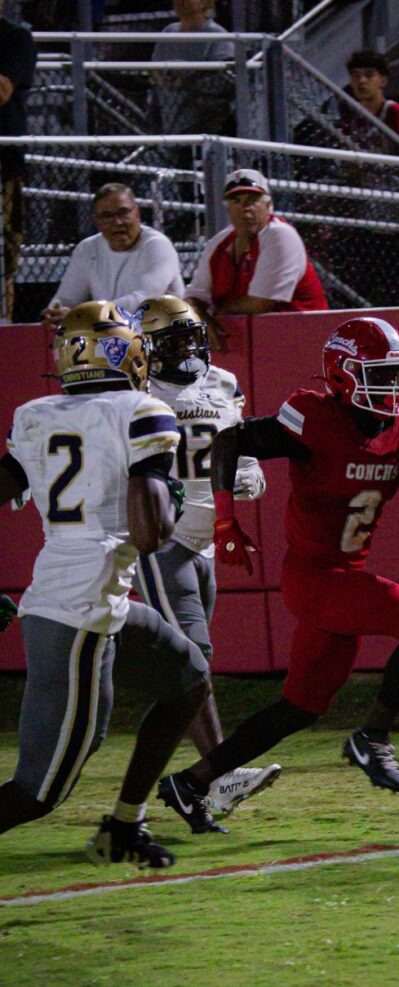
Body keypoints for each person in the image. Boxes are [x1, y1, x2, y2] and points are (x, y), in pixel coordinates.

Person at [155, 315, 399, 833]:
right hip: (315, 576)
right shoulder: (315, 415)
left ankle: (190, 782)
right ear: (343, 374)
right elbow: (230, 442)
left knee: (300, 706)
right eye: (380, 375)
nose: (393, 387)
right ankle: (373, 737)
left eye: (396, 375)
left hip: (345, 577)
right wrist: (226, 519)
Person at [0, 300, 211, 868]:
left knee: (189, 679)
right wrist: (167, 491)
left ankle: (123, 826)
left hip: (89, 598)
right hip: (78, 613)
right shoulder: (141, 409)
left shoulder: (36, 414)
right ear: (126, 350)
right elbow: (148, 536)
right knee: (37, 792)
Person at [134, 294, 281, 815]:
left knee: (188, 671)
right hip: (165, 540)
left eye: (191, 337)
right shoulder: (137, 391)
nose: (188, 349)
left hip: (208, 543)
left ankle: (161, 793)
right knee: (195, 663)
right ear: (148, 347)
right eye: (173, 340)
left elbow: (235, 446)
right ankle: (216, 777)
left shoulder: (223, 384)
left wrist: (248, 473)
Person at [186, 168, 328, 350]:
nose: (245, 208)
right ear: (228, 210)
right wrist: (199, 318)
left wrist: (215, 314)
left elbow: (259, 303)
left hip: (305, 340)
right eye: (236, 201)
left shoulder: (280, 235)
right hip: (250, 344)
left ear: (269, 206)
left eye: (252, 200)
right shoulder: (219, 243)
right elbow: (193, 298)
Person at [40, 184, 184, 330]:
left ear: (137, 213)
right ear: (97, 221)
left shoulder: (158, 245)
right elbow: (66, 299)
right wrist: (56, 313)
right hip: (113, 340)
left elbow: (144, 300)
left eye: (123, 212)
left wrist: (84, 316)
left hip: (163, 339)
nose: (117, 222)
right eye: (107, 216)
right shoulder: (87, 249)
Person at [0, 0, 36, 321]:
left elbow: (1, 90)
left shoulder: (15, 38)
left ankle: (3, 327)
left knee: (2, 260)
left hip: (3, 167)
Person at [150, 0, 234, 136]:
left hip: (203, 117)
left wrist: (190, 76)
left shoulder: (216, 34)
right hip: (168, 111)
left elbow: (226, 79)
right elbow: (156, 72)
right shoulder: (169, 31)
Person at [343, 48, 399, 156]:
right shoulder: (351, 117)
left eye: (369, 75)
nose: (361, 81)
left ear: (383, 81)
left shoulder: (397, 113)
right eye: (356, 76)